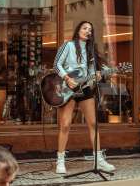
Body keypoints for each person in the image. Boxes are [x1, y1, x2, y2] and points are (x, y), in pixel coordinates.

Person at [53, 21, 115, 174]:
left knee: (93, 124)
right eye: (84, 28)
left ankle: (98, 159)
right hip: (68, 89)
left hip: (85, 88)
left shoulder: (91, 50)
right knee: (65, 124)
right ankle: (60, 160)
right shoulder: (68, 45)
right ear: (78, 30)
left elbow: (93, 72)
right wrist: (67, 78)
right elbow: (56, 64)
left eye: (90, 29)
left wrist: (99, 75)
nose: (87, 31)